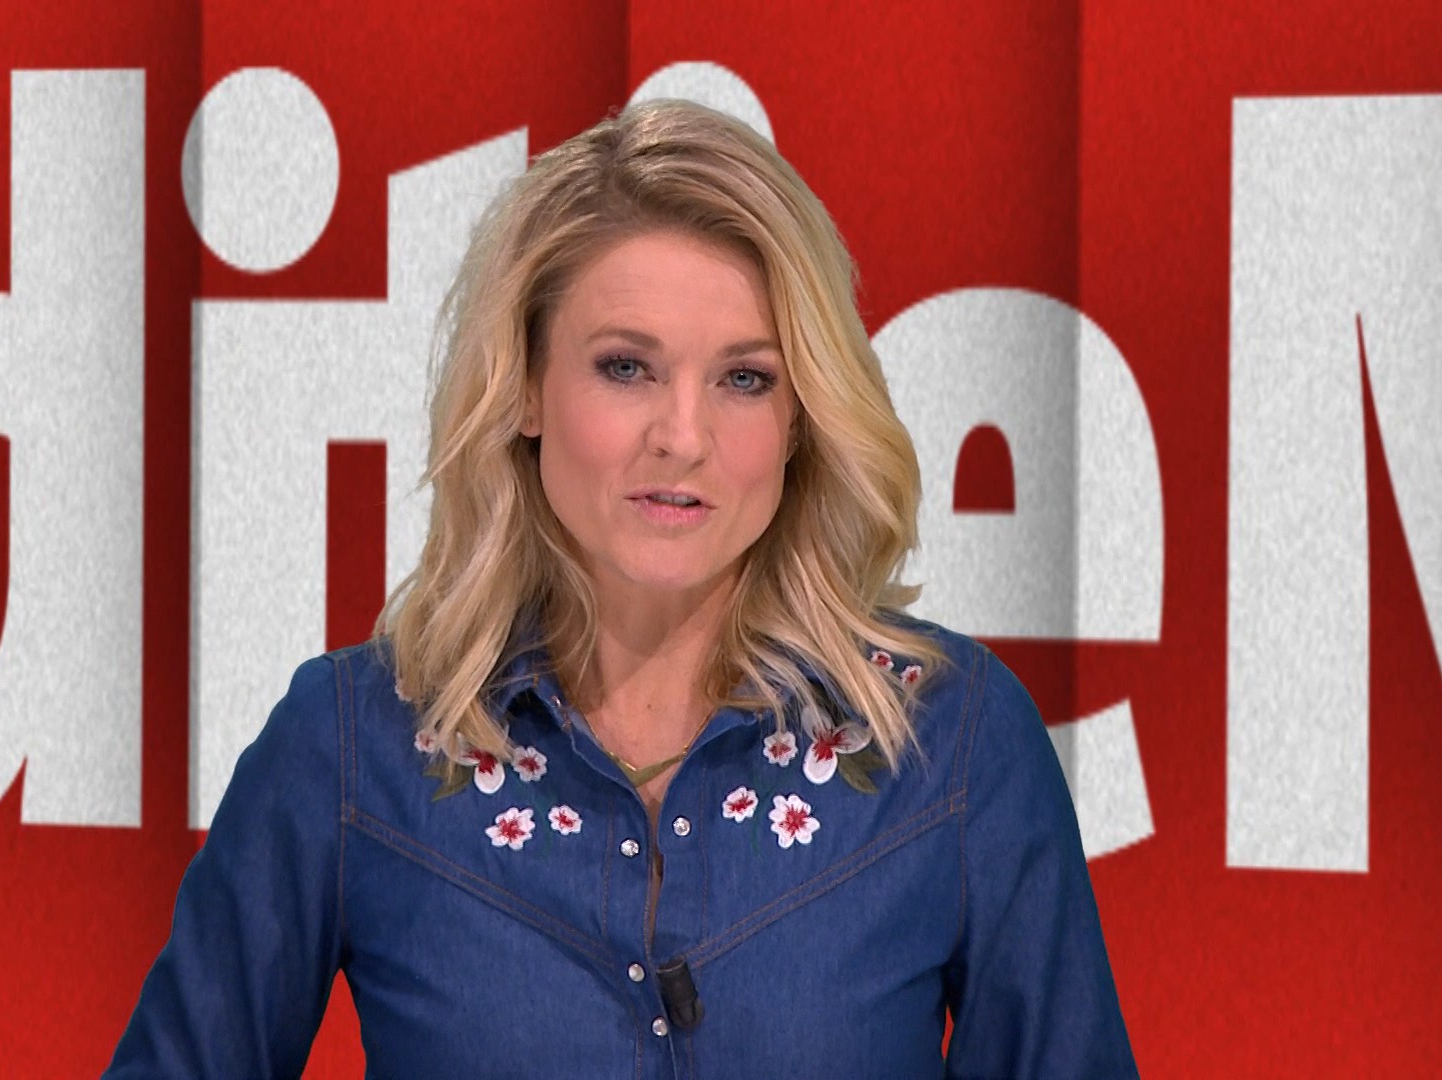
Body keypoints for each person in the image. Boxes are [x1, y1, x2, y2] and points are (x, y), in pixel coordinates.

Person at [104, 98, 1137, 1078]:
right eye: (626, 367)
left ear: (801, 421)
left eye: (745, 379)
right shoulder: (354, 743)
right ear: (525, 388)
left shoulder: (951, 745)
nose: (682, 437)